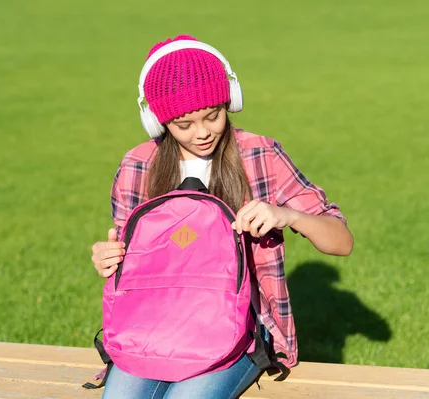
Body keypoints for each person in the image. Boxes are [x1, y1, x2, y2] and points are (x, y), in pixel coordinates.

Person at [91, 34, 354, 399]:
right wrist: (108, 258)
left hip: (237, 331)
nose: (202, 133)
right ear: (157, 120)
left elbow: (341, 241)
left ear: (230, 100)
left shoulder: (259, 155)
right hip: (153, 327)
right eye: (184, 125)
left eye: (212, 116)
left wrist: (287, 215)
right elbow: (129, 267)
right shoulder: (138, 165)